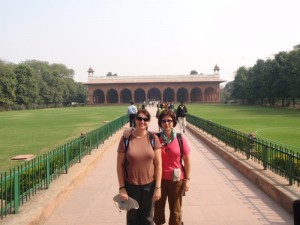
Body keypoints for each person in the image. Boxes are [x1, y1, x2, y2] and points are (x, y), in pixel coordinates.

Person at [117, 109, 162, 225]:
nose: (142, 121)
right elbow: (119, 165)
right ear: (135, 120)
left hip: (149, 185)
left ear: (149, 121)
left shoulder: (153, 138)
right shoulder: (126, 138)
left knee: (147, 217)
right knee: (132, 217)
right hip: (131, 186)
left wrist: (158, 187)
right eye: (139, 118)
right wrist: (122, 187)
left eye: (145, 119)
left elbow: (158, 164)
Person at [154, 110, 191, 225]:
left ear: (173, 122)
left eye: (169, 120)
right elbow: (139, 132)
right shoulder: (155, 137)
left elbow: (187, 159)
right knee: (158, 211)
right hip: (158, 181)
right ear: (160, 123)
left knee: (175, 211)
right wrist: (129, 131)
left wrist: (187, 179)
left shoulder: (180, 139)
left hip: (176, 180)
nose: (166, 123)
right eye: (163, 121)